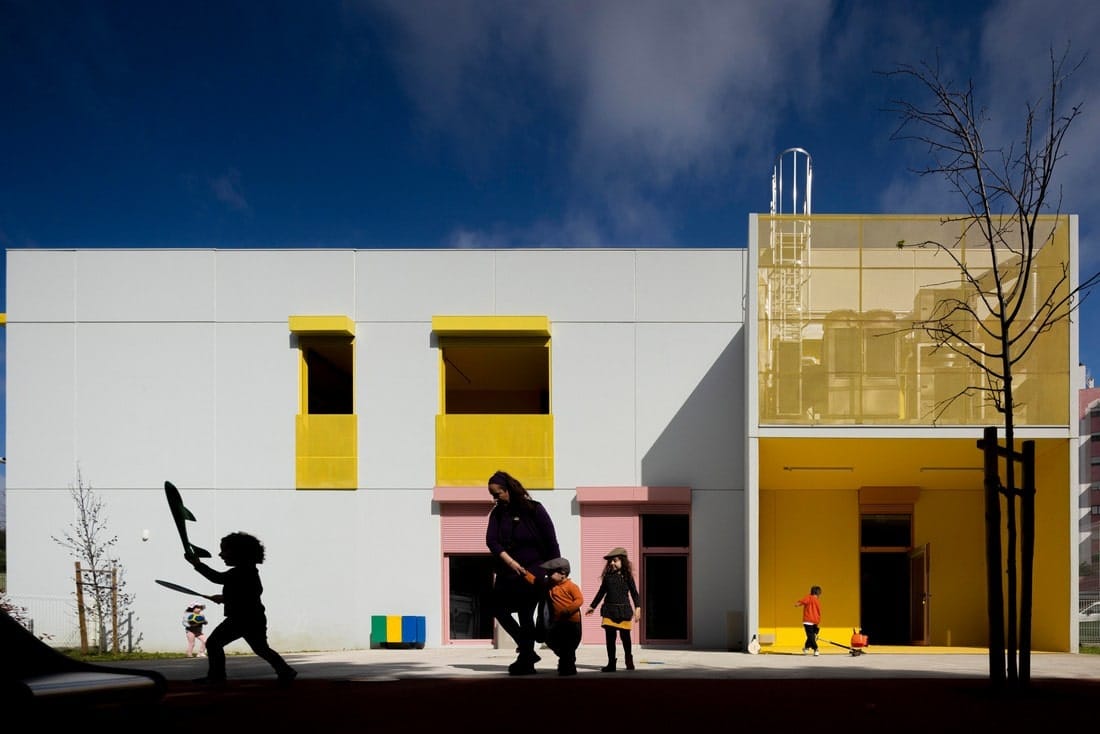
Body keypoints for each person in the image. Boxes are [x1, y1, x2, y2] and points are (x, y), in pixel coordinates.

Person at [185, 531, 298, 684]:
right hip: (254, 617)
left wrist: (197, 564)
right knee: (261, 648)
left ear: (239, 553)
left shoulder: (241, 572)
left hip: (241, 619)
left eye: (224, 550)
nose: (220, 554)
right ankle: (285, 671)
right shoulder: (248, 572)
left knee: (213, 643)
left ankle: (217, 677)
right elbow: (245, 595)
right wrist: (225, 599)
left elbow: (217, 578)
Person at [485, 470, 561, 676]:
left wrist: (557, 571)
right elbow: (491, 541)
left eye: (497, 493)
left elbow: (551, 541)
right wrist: (511, 563)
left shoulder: (535, 510)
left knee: (526, 614)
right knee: (496, 608)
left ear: (508, 490)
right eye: (492, 495)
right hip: (506, 572)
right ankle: (526, 647)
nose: (495, 498)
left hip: (532, 572)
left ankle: (526, 659)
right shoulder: (497, 514)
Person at [585, 546, 641, 672]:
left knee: (625, 637)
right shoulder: (608, 576)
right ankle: (611, 662)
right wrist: (592, 606)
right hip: (609, 611)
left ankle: (628, 658)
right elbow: (601, 592)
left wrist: (638, 608)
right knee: (610, 639)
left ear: (623, 561)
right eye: (610, 561)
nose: (612, 563)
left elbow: (634, 593)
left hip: (623, 611)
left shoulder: (628, 577)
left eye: (615, 560)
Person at [526, 557, 583, 676]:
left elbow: (579, 600)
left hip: (571, 622)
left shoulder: (571, 586)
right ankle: (565, 662)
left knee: (568, 647)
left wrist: (568, 611)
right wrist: (524, 573)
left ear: (563, 574)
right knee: (553, 642)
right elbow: (535, 581)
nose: (547, 574)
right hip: (557, 622)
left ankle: (567, 667)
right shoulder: (549, 584)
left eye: (550, 572)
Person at [795, 585, 822, 656]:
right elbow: (819, 612)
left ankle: (815, 649)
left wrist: (798, 604)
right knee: (811, 636)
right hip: (815, 620)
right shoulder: (816, 600)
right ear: (818, 593)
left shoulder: (809, 597)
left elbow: (802, 601)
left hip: (808, 620)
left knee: (810, 636)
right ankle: (807, 648)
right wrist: (818, 620)